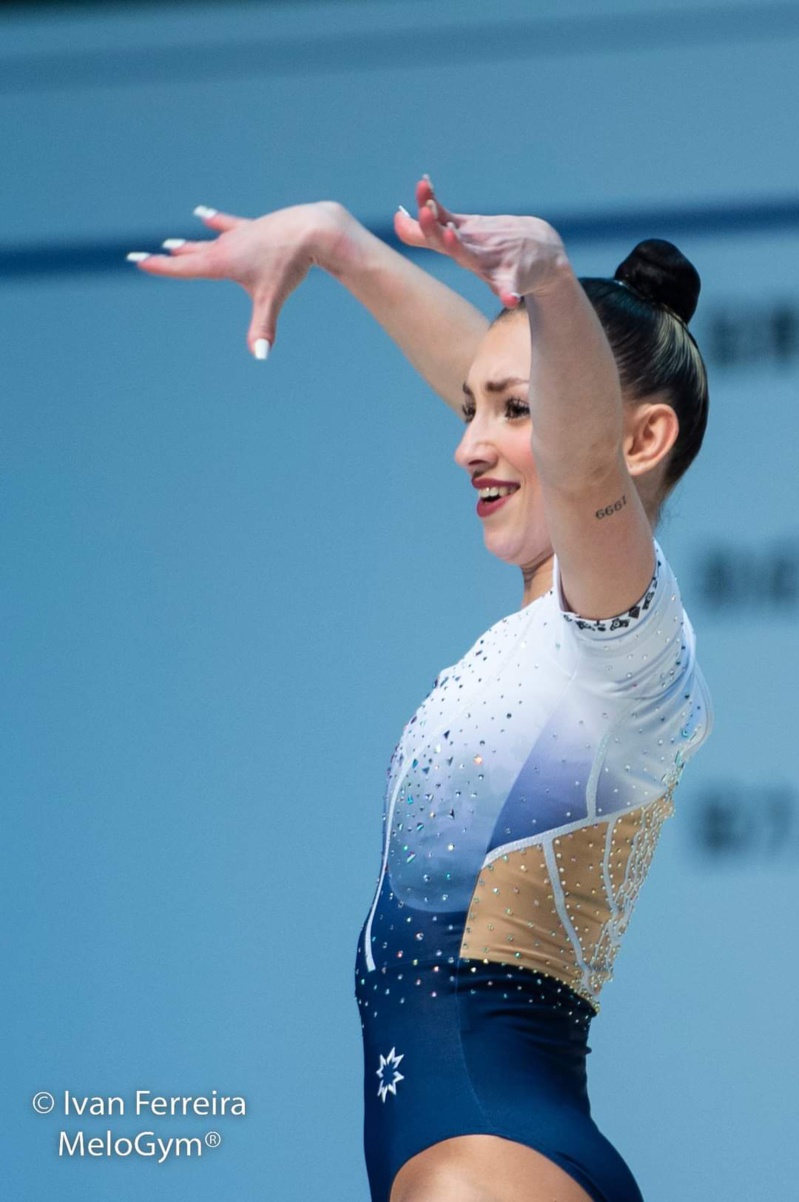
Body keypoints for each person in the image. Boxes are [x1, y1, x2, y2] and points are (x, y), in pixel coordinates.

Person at [127, 178, 714, 1202]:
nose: (468, 443)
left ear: (641, 442)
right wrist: (338, 245)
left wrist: (548, 283)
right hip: (484, 1146)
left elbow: (576, 474)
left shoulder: (621, 641)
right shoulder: (546, 633)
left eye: (512, 411)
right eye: (468, 407)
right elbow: (526, 404)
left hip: (486, 1159)